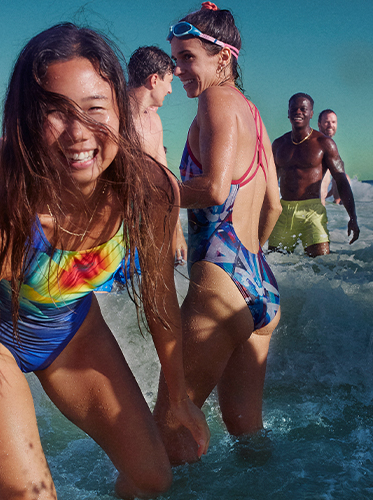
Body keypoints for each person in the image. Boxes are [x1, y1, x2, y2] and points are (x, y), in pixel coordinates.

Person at [0, 24, 208, 500]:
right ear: (26, 121)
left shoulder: (152, 191)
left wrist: (178, 396)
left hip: (73, 332)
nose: (79, 133)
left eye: (95, 108)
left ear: (121, 109)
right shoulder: (1, 223)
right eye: (55, 112)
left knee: (152, 480)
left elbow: (160, 301)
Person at [152, 2, 282, 466]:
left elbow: (212, 188)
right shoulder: (254, 114)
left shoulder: (216, 100)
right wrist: (250, 255)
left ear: (222, 58)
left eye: (188, 57)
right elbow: (274, 204)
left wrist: (148, 194)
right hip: (260, 283)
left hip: (221, 280)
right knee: (249, 437)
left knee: (168, 427)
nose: (179, 69)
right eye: (175, 59)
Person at [269, 94, 359, 257]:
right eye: (293, 108)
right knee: (275, 265)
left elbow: (341, 180)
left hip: (312, 212)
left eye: (303, 109)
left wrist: (353, 217)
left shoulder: (324, 143)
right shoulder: (278, 145)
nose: (298, 112)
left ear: (311, 113)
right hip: (283, 211)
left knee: (322, 267)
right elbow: (268, 183)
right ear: (288, 113)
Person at [127, 45, 187, 264]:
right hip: (107, 229)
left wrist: (176, 231)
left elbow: (166, 182)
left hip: (145, 225)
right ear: (154, 80)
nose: (170, 90)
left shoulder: (154, 123)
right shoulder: (108, 115)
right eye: (169, 82)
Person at [318, 109, 351, 205]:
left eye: (333, 122)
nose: (330, 125)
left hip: (321, 204)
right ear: (319, 124)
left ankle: (338, 203)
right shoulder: (316, 145)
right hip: (312, 206)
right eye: (327, 122)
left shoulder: (330, 146)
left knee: (344, 177)